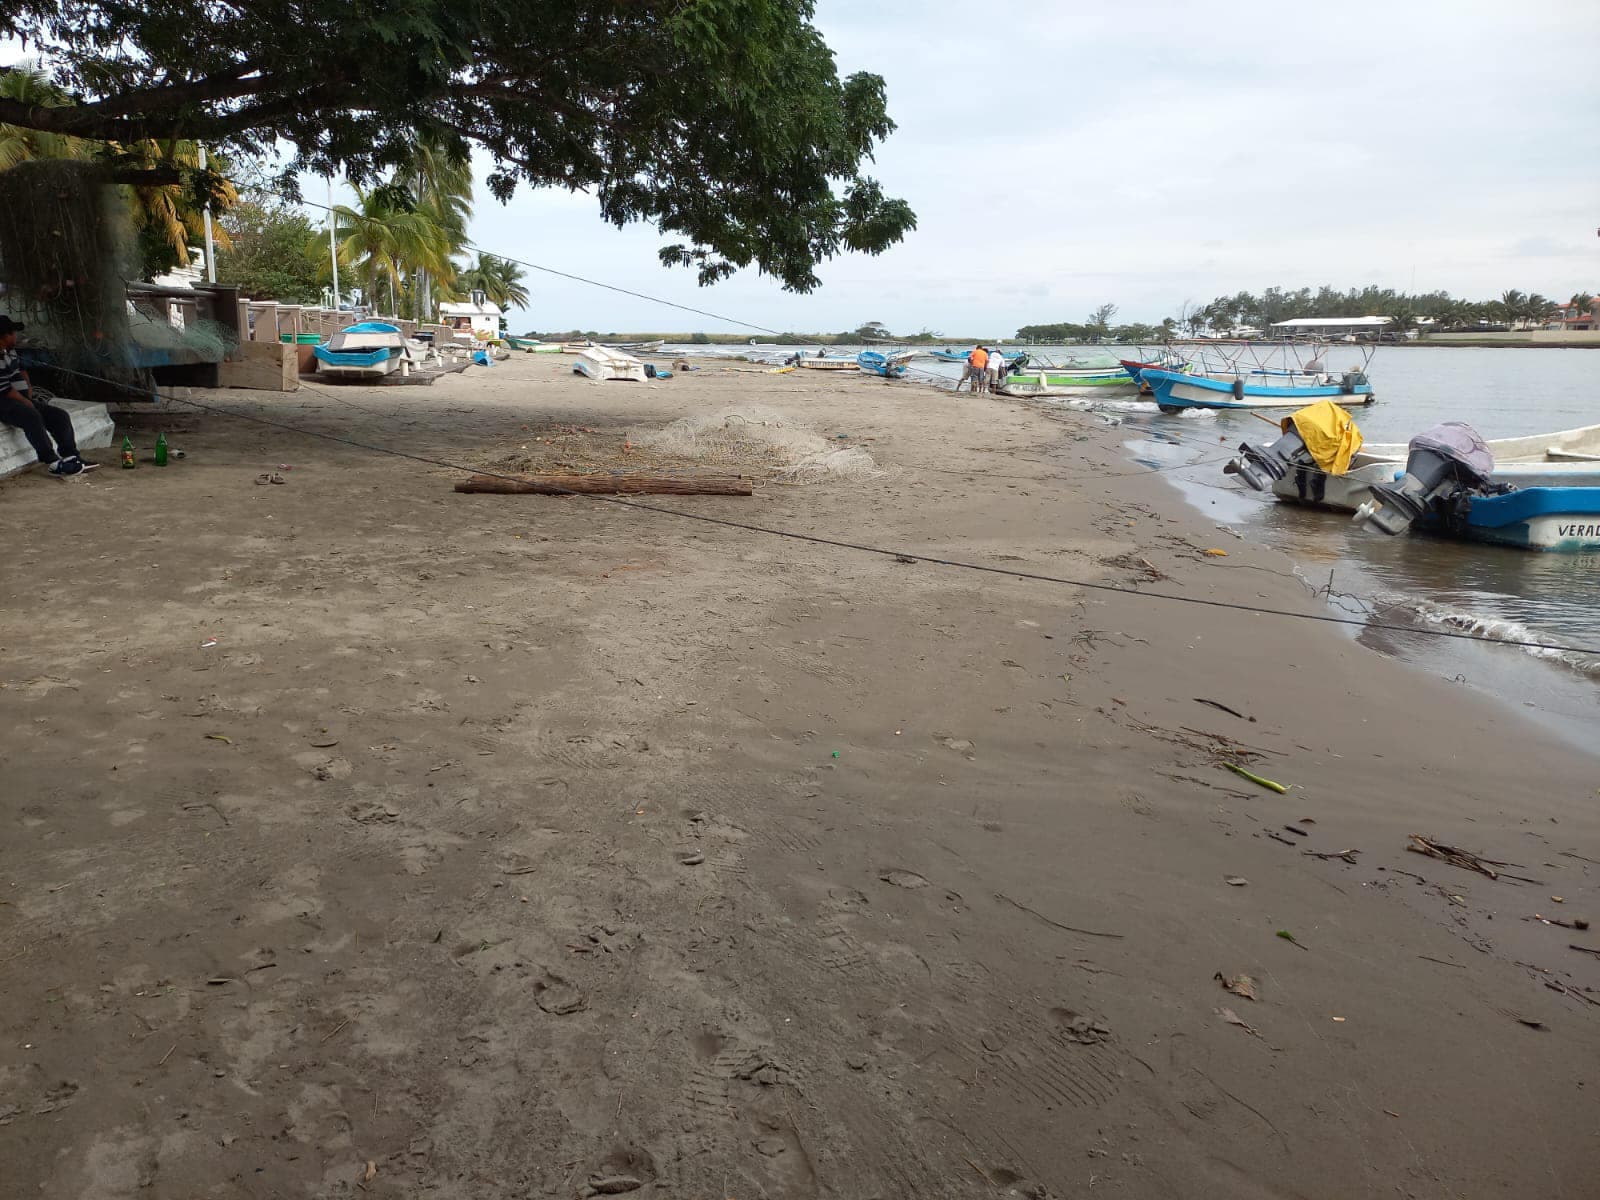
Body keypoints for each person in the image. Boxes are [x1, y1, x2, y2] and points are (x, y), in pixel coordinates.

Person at [0, 316, 92, 478]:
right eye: (13, 333)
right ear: (4, 336)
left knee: (59, 416)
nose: (16, 336)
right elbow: (4, 389)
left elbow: (22, 370)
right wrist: (25, 401)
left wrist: (28, 390)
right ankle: (51, 460)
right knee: (31, 416)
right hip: (4, 401)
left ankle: (71, 456)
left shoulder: (11, 352)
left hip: (21, 399)